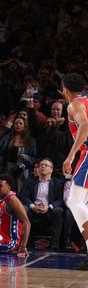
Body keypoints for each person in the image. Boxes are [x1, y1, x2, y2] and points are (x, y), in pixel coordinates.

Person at [60, 72, 88, 269]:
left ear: (65, 90)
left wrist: (70, 156)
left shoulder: (74, 104)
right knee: (81, 202)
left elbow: (85, 126)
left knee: (74, 201)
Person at [18, 157, 65, 249]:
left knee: (59, 211)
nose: (42, 167)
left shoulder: (58, 183)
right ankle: (24, 242)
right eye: (40, 165)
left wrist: (49, 206)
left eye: (46, 165)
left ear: (51, 170)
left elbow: (61, 199)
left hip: (49, 210)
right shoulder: (30, 181)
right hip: (33, 209)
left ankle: (55, 244)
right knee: (23, 209)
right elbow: (24, 197)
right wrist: (32, 206)